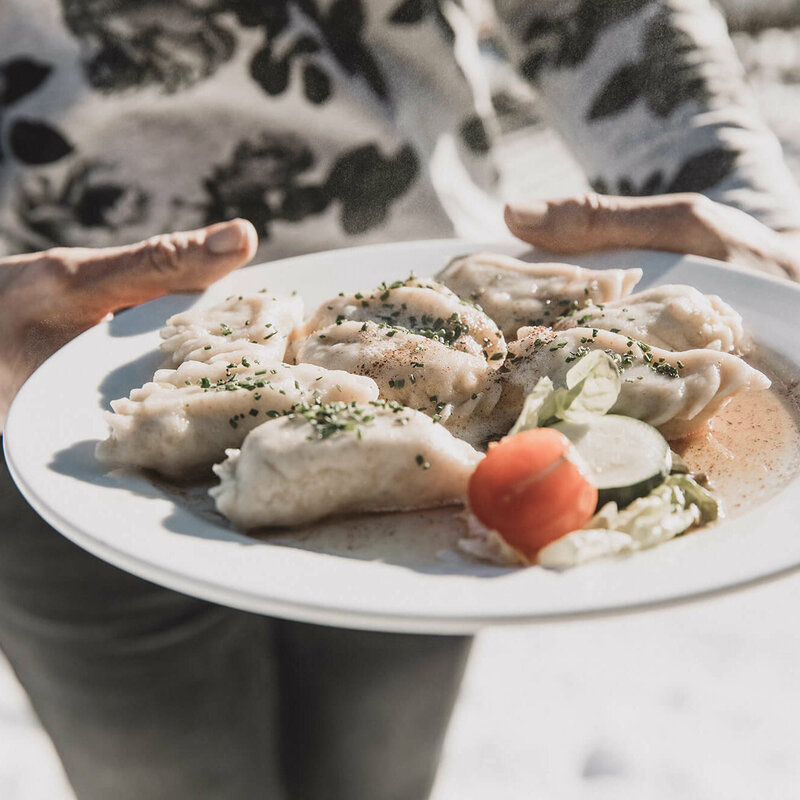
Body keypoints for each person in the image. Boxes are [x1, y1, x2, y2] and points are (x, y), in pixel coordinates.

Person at [1, 2, 799, 799]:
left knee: (376, 778)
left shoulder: (453, 407)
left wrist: (742, 206)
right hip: (39, 383)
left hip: (427, 288)